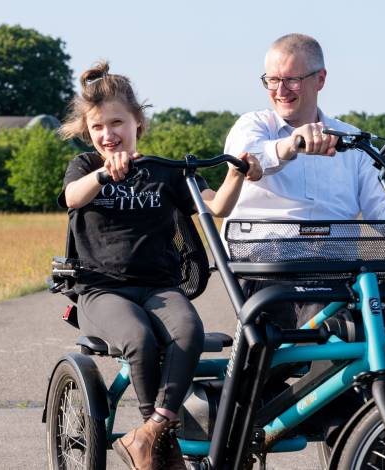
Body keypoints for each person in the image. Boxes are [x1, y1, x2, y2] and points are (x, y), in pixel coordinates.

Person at [57, 61, 260, 470]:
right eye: (97, 128)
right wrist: (103, 176)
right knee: (139, 338)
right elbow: (72, 198)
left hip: (160, 287)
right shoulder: (84, 167)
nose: (107, 135)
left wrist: (240, 174)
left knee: (189, 331)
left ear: (137, 123)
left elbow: (216, 205)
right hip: (101, 290)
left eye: (116, 123)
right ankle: (160, 444)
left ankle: (151, 434)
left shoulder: (165, 172)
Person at [223, 33, 385, 329]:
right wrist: (292, 145)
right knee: (333, 312)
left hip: (338, 266)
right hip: (269, 267)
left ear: (321, 79)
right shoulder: (253, 126)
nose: (280, 90)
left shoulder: (352, 140)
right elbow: (250, 161)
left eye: (292, 79)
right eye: (272, 80)